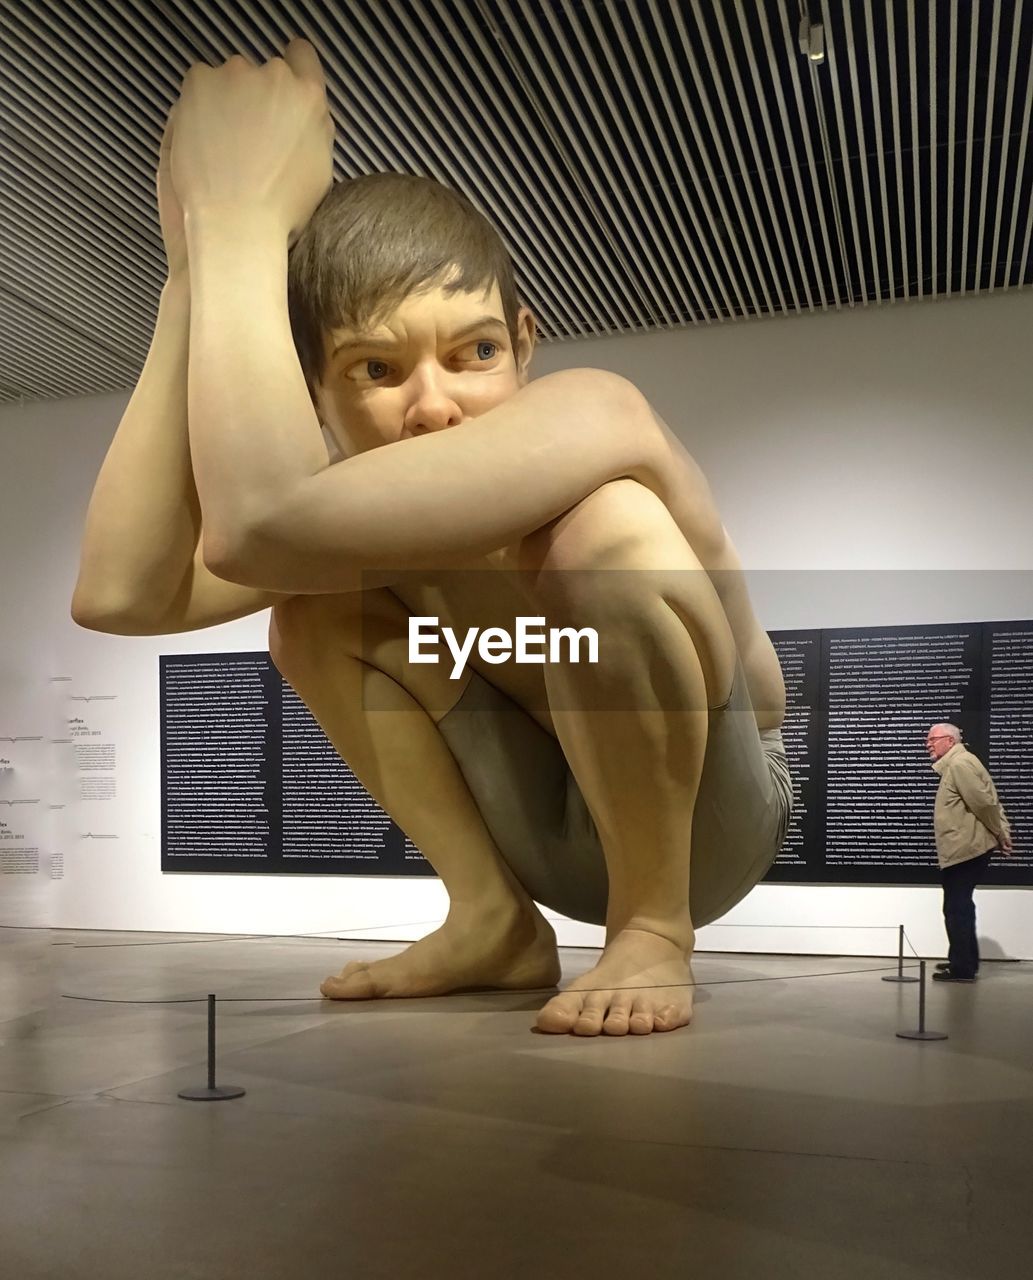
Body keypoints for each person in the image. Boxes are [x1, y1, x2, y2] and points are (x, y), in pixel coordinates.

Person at [72, 41, 792, 1036]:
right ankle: (492, 918)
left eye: (476, 352)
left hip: (711, 822)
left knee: (610, 528)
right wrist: (194, 271)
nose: (436, 406)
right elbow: (122, 591)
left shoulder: (592, 413)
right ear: (309, 387)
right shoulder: (341, 518)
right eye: (375, 370)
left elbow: (259, 522)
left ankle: (651, 927)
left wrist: (237, 219)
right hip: (543, 821)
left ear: (526, 341)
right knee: (316, 614)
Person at [925, 723, 1012, 983]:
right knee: (959, 905)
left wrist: (1000, 833)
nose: (928, 744)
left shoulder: (961, 764)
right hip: (964, 847)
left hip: (967, 849)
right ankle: (963, 960)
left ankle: (962, 968)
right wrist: (1001, 831)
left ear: (950, 741)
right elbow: (989, 799)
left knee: (957, 907)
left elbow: (984, 803)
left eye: (933, 739)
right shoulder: (958, 763)